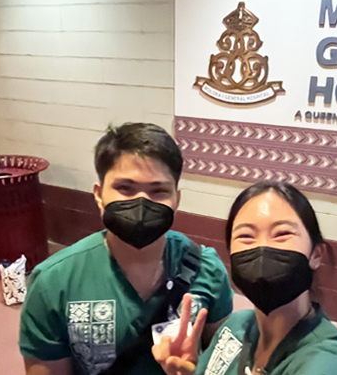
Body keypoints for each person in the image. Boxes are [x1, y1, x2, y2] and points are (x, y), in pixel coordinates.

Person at [19, 123, 234, 375]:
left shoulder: (206, 269)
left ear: (176, 199)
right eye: (125, 188)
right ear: (99, 195)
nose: (141, 203)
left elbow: (224, 362)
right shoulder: (54, 282)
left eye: (158, 191)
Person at [152, 181, 337, 375]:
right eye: (245, 236)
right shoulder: (235, 328)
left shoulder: (332, 364)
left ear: (315, 254)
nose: (262, 248)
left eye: (282, 234)